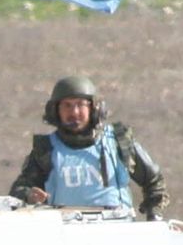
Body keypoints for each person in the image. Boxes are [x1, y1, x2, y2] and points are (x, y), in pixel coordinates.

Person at [9, 75, 168, 220]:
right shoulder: (46, 150)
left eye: (80, 105)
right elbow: (17, 193)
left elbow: (154, 182)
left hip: (118, 232)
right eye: (67, 106)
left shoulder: (118, 142)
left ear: (94, 108)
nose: (74, 112)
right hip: (66, 233)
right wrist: (29, 195)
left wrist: (154, 215)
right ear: (56, 110)